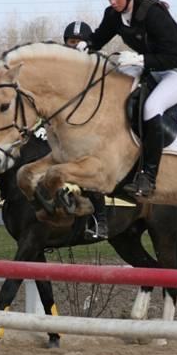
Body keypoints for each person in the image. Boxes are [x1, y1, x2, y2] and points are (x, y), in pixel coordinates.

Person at [87, 0, 177, 197]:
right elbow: (97, 39)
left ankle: (148, 177)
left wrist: (140, 61)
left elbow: (172, 56)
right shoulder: (113, 14)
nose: (112, 1)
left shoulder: (153, 13)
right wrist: (84, 45)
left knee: (152, 106)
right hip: (153, 67)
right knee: (115, 83)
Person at [63, 21, 107, 239]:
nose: (75, 46)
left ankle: (100, 220)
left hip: (95, 127)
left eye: (79, 42)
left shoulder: (97, 67)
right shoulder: (61, 70)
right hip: (64, 129)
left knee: (87, 165)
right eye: (71, 41)